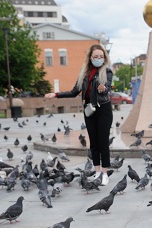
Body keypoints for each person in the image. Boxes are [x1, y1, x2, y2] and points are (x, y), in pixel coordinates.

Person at [45, 44, 113, 185]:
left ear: (104, 58)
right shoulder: (85, 74)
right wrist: (56, 94)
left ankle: (105, 174)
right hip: (89, 110)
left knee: (103, 142)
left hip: (103, 110)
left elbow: (107, 89)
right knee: (93, 143)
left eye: (101, 56)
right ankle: (97, 172)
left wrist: (103, 89)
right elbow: (74, 92)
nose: (99, 59)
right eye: (96, 56)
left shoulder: (107, 71)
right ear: (90, 58)